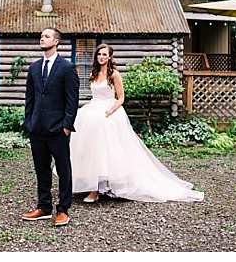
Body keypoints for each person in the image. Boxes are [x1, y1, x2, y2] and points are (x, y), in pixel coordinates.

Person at [71, 44, 204, 203]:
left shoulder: (114, 74)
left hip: (109, 111)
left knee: (109, 150)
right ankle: (93, 186)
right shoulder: (94, 74)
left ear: (110, 57)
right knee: (91, 149)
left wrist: (111, 111)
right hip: (92, 111)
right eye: (99, 54)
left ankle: (106, 187)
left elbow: (121, 98)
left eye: (104, 54)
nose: (101, 57)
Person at [20, 27, 79, 227]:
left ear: (56, 41)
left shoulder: (67, 68)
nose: (42, 38)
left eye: (46, 36)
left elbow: (72, 100)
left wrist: (66, 126)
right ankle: (44, 207)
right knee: (41, 169)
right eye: (41, 35)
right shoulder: (34, 68)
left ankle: (63, 210)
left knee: (63, 169)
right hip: (37, 128)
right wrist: (29, 123)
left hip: (58, 129)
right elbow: (30, 98)